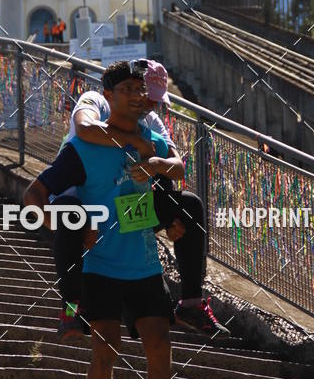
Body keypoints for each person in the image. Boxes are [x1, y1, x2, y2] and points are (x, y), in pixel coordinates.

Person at [24, 61, 205, 379]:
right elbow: (33, 196)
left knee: (160, 348)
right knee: (105, 352)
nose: (138, 96)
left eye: (141, 89)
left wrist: (157, 172)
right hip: (100, 266)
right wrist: (70, 225)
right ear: (108, 95)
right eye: (128, 89)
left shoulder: (151, 140)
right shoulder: (84, 147)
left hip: (143, 264)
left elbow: (178, 169)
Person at [30, 59, 230, 342]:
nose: (147, 104)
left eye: (152, 99)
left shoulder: (150, 120)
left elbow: (175, 166)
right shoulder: (95, 101)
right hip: (81, 199)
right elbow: (85, 128)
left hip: (123, 205)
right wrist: (134, 141)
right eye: (138, 93)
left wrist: (159, 173)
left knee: (189, 205)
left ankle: (190, 303)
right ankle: (71, 310)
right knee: (72, 218)